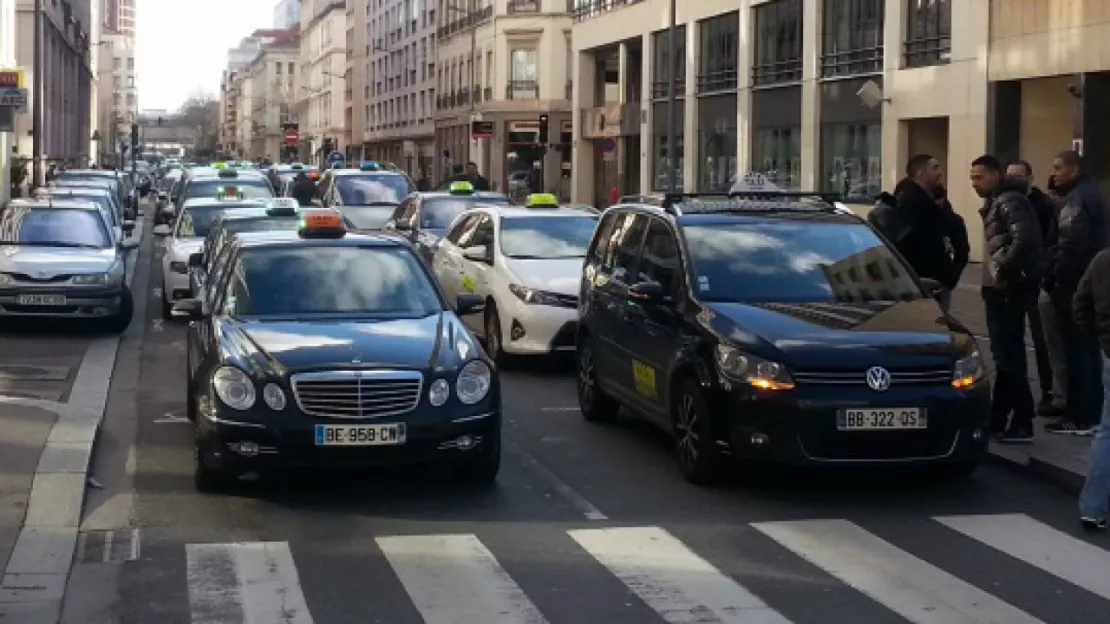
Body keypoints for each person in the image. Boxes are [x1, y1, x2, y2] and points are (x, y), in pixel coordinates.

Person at [970, 154, 1044, 443]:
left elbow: (1025, 240)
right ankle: (999, 418)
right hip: (1001, 288)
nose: (974, 183)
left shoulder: (1008, 200)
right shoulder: (999, 200)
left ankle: (1023, 420)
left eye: (979, 177)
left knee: (1009, 356)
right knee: (1003, 355)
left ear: (996, 175)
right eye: (972, 178)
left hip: (1009, 289)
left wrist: (1002, 266)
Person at [1044, 150, 1105, 435]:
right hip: (1093, 281)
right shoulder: (1093, 193)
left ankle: (1080, 414)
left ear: (1072, 170)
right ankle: (1093, 412)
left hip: (1073, 284)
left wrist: (1055, 276)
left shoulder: (1077, 199)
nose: (1054, 173)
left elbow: (1070, 245)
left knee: (1077, 349)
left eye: (1058, 168)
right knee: (1090, 349)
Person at [1006, 160, 1062, 416]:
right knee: (1014, 339)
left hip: (1037, 277)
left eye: (1019, 176)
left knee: (1042, 339)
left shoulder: (1042, 205)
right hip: (1015, 280)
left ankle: (1050, 391)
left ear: (1029, 178)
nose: (1014, 181)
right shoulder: (1003, 201)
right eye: (1010, 176)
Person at [1072, 246, 1110, 530]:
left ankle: (1093, 506)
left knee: (1107, 433)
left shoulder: (1101, 260)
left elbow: (1080, 304)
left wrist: (1099, 342)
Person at [890, 155, 954, 286]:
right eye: (935, 168)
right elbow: (911, 242)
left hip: (931, 278)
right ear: (921, 174)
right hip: (922, 280)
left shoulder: (930, 200)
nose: (940, 173)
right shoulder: (912, 202)